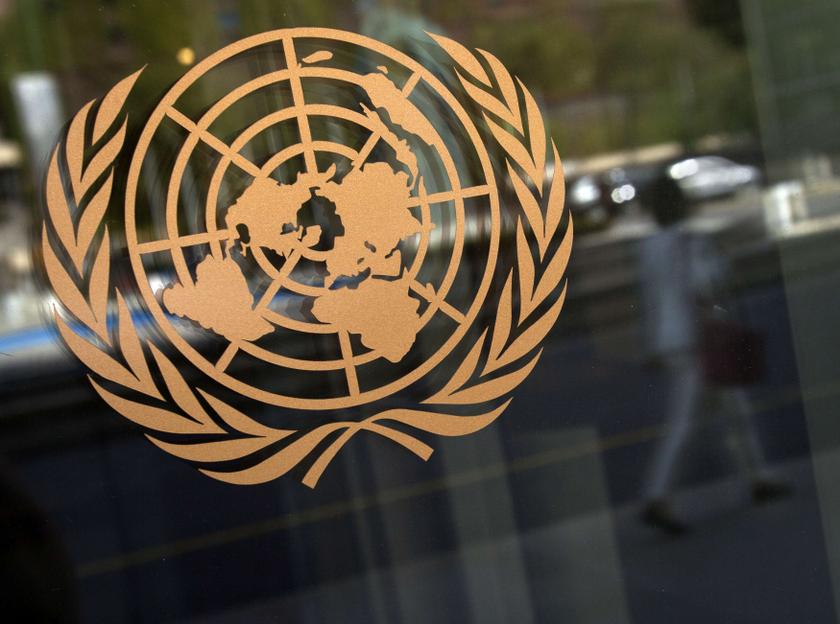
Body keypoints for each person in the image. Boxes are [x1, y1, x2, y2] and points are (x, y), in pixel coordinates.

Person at [639, 169, 788, 535]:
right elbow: (704, 285)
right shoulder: (691, 242)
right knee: (692, 420)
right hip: (699, 338)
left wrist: (651, 345)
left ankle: (758, 476)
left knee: (731, 408)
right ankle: (658, 494)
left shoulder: (649, 246)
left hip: (671, 340)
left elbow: (651, 299)